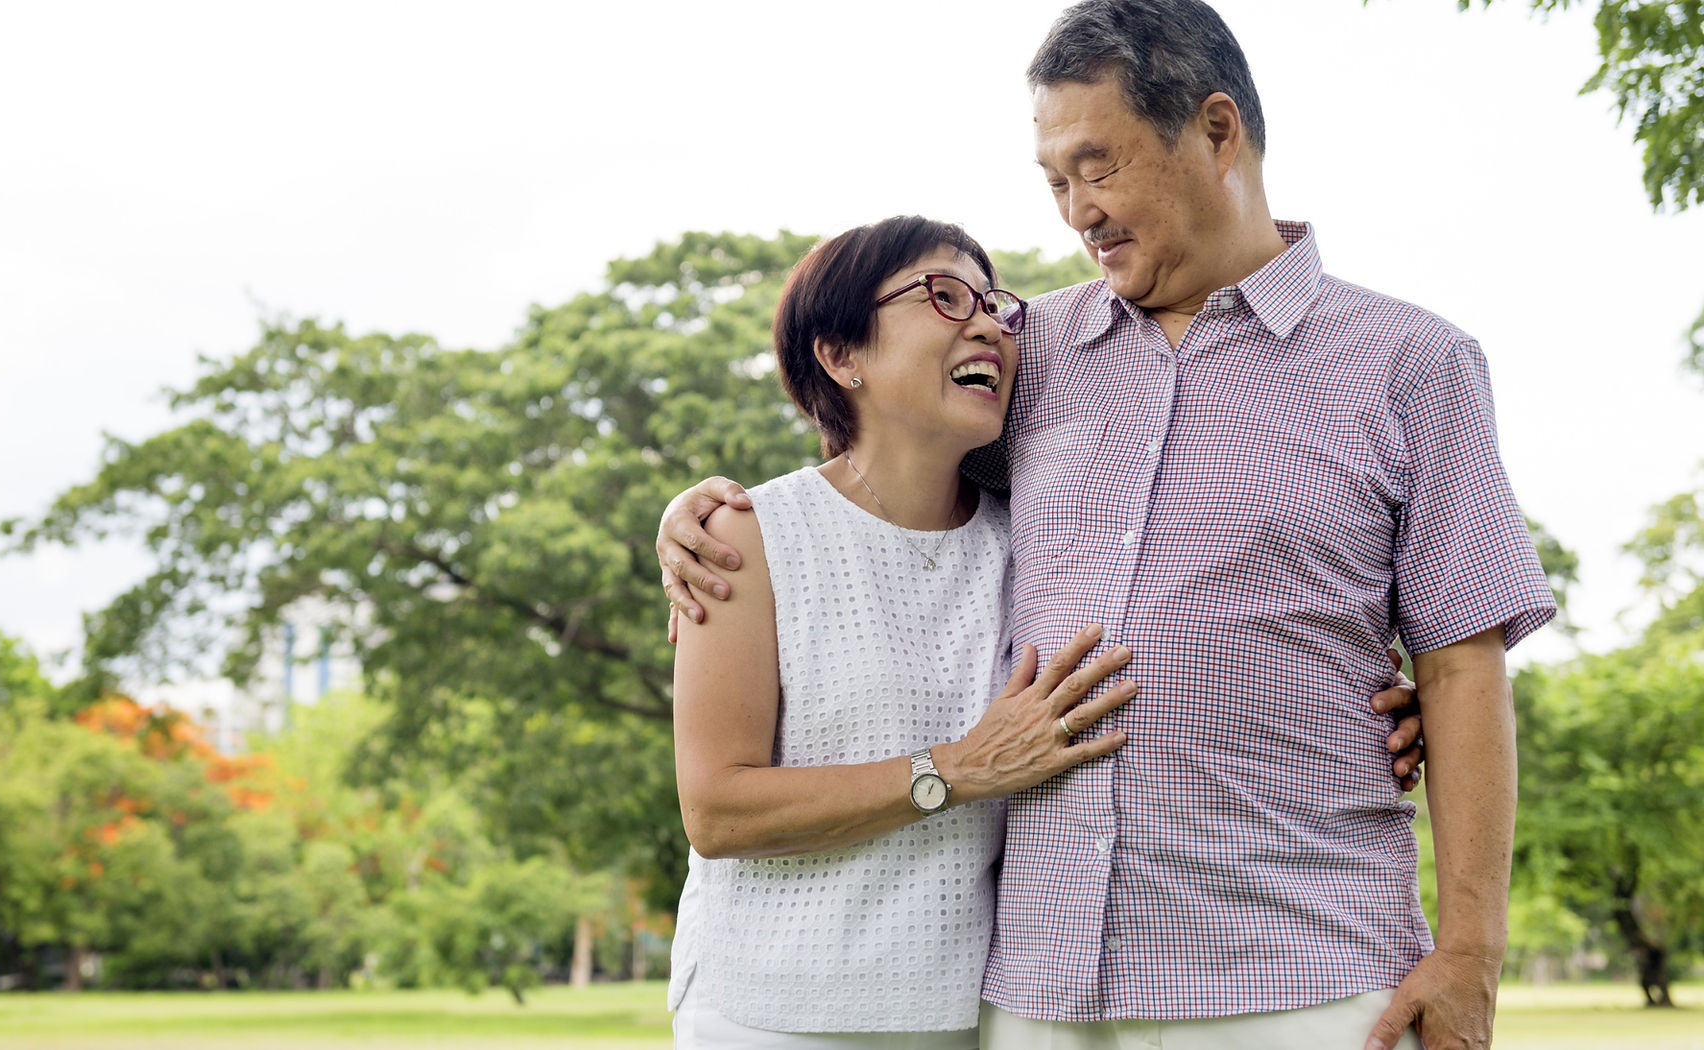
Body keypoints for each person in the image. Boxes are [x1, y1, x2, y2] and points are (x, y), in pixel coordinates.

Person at [656, 3, 1554, 1049]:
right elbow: (873, 465)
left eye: (1098, 165)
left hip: (1302, 979)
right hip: (1037, 995)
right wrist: (702, 512)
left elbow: (1462, 663)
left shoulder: (1413, 363)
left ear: (1217, 132)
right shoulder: (1031, 348)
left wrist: (1472, 952)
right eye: (1053, 181)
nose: (1077, 210)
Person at [667, 215, 1425, 1050]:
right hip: (773, 1013)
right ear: (840, 355)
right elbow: (717, 811)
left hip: (972, 1013)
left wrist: (1353, 693)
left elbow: (1208, 614)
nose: (988, 323)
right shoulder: (744, 535)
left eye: (995, 305)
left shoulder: (1027, 534)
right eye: (944, 297)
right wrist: (956, 770)